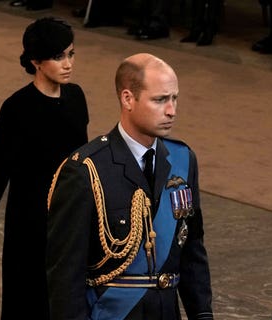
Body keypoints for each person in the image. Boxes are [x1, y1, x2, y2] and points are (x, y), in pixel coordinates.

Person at [46, 53, 214, 319]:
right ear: (128, 99)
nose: (172, 110)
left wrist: (202, 314)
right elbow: (66, 276)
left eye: (174, 98)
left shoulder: (183, 159)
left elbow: (192, 250)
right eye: (160, 100)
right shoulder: (86, 170)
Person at [0, 16, 89, 320]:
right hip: (29, 225)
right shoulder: (17, 108)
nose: (68, 64)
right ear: (36, 61)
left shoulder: (76, 98)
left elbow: (83, 163)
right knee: (28, 303)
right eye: (58, 57)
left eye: (70, 54)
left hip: (70, 218)